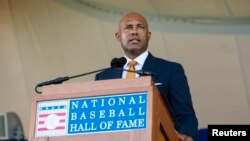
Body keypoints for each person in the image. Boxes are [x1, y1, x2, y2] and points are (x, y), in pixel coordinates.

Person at [95, 12, 198, 141]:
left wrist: (186, 135)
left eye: (140, 27)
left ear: (148, 35)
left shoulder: (171, 70)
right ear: (118, 36)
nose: (134, 32)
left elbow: (185, 115)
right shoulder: (104, 77)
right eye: (128, 27)